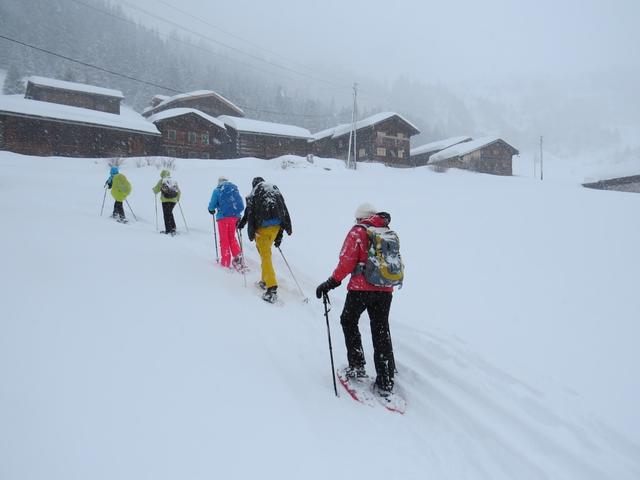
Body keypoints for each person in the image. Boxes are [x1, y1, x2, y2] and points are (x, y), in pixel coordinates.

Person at [315, 203, 397, 396]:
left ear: (360, 218)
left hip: (361, 289)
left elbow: (346, 261)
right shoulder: (386, 230)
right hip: (386, 289)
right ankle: (386, 380)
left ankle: (357, 366)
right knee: (381, 328)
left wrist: (331, 282)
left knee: (348, 321)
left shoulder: (358, 232)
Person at [237, 176, 291, 303]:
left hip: (263, 230)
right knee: (265, 254)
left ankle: (271, 288)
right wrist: (279, 235)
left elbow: (249, 211)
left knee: (265, 256)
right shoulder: (274, 189)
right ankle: (265, 280)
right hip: (276, 227)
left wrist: (241, 224)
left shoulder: (255, 192)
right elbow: (282, 211)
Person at [208, 176, 245, 269]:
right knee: (231, 237)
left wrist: (211, 209)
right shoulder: (234, 189)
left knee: (224, 239)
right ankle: (238, 257)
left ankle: (225, 262)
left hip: (223, 218)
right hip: (234, 217)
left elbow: (212, 205)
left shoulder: (217, 190)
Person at [152, 169, 181, 235]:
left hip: (165, 200)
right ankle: (173, 227)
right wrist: (177, 199)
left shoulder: (162, 180)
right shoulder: (173, 181)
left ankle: (168, 230)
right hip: (173, 201)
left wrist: (154, 190)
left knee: (166, 214)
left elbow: (156, 190)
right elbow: (179, 191)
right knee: (170, 213)